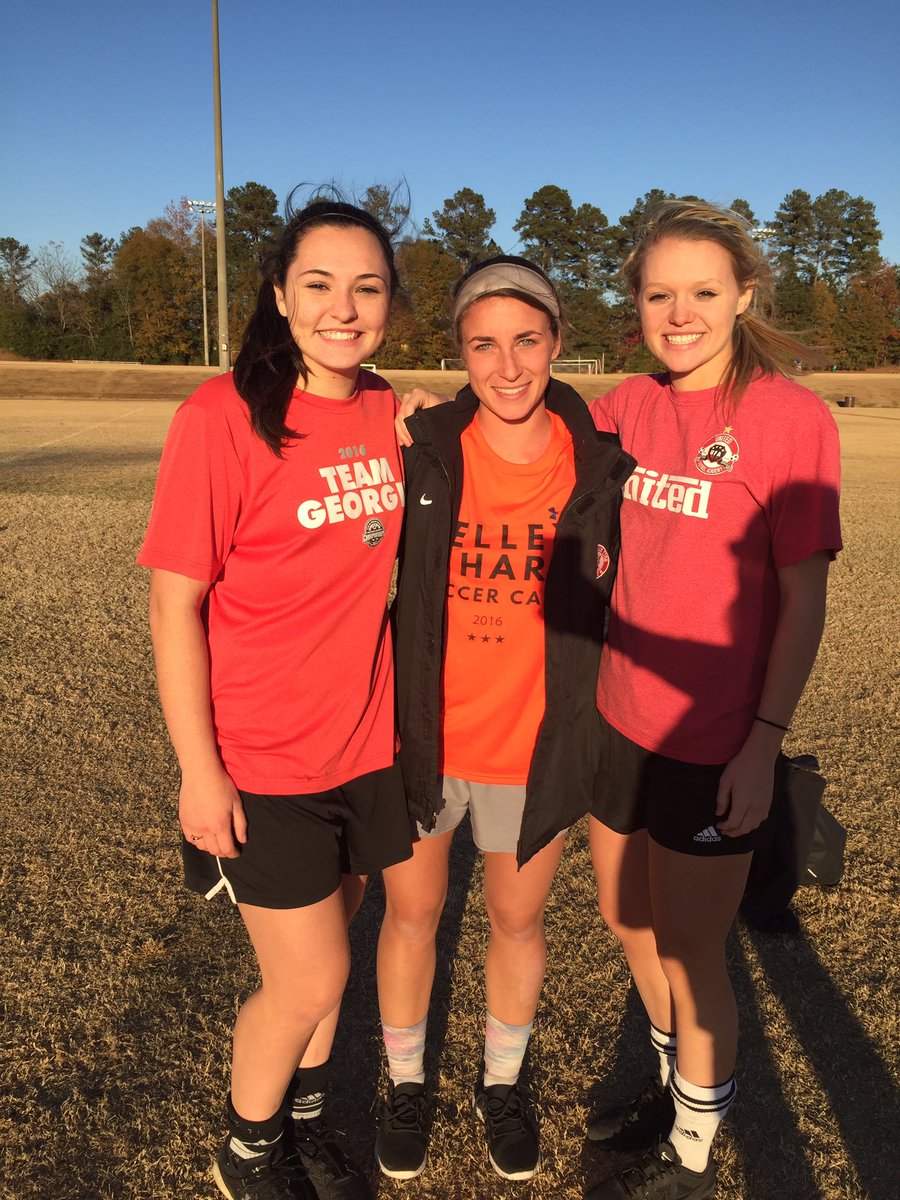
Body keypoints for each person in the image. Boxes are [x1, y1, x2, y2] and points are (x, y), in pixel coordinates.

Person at [137, 197, 414, 1200]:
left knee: (330, 956)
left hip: (366, 745)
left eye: (368, 287)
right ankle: (245, 1155)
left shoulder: (386, 409)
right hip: (262, 759)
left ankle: (302, 1123)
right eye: (320, 284)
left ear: (389, 302)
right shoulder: (220, 416)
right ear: (280, 297)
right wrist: (199, 775)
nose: (345, 307)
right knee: (310, 980)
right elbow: (176, 608)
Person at [584, 201, 842, 1200]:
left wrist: (761, 743)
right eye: (658, 294)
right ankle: (671, 1081)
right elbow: (521, 433)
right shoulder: (628, 406)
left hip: (714, 740)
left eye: (701, 292)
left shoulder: (790, 418)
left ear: (743, 295)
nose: (678, 313)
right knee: (630, 921)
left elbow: (802, 597)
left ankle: (693, 1151)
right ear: (637, 303)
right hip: (617, 722)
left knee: (694, 953)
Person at [374, 257, 636, 1183]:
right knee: (412, 915)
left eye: (527, 340)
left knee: (517, 924)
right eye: (484, 345)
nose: (509, 364)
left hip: (536, 746)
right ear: (460, 355)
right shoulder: (421, 444)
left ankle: (502, 1081)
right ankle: (406, 1083)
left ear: (559, 344)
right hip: (426, 740)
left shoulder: (602, 461)